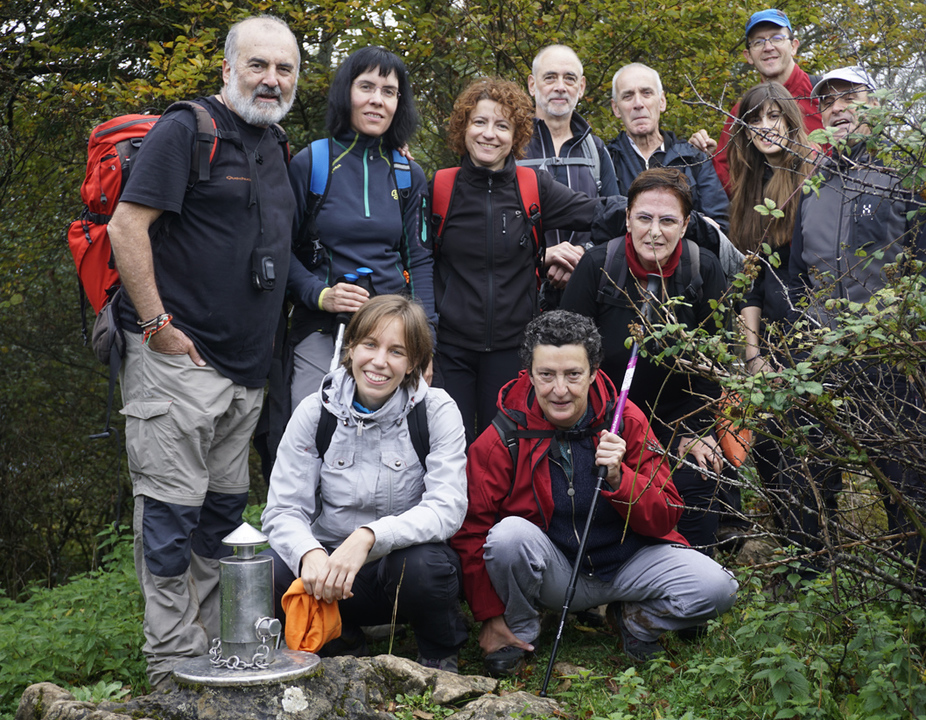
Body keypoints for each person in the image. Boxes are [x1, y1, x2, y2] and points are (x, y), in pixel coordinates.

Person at [106, 15, 300, 686]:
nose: (271, 80)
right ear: (227, 69)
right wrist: (157, 324)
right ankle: (169, 664)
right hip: (176, 363)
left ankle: (219, 652)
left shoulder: (275, 143)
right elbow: (126, 226)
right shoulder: (185, 130)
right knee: (169, 515)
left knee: (219, 516)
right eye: (258, 65)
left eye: (284, 69)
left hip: (245, 372)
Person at [450, 310, 738, 676]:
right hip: (556, 573)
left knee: (719, 587)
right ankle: (518, 630)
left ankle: (633, 619)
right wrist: (489, 615)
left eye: (573, 374)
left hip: (631, 562)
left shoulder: (626, 419)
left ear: (593, 372)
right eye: (546, 375)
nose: (560, 390)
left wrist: (621, 479)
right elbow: (471, 530)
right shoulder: (504, 434)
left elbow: (667, 511)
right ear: (529, 373)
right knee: (507, 537)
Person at [786, 66, 926, 573]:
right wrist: (800, 340)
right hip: (820, 359)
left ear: (874, 104)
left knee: (907, 483)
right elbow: (795, 276)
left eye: (849, 96)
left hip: (890, 358)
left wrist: (913, 344)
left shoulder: (910, 173)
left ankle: (925, 589)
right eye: (826, 101)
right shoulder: (813, 186)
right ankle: (810, 585)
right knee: (809, 478)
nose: (837, 107)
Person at [262, 294, 469, 671]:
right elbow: (283, 510)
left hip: (397, 572)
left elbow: (447, 508)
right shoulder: (315, 411)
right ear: (351, 348)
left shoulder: (436, 410)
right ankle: (339, 638)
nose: (379, 361)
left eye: (396, 351)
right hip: (329, 573)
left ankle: (438, 652)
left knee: (423, 565)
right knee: (271, 567)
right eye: (370, 345)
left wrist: (369, 536)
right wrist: (309, 554)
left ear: (413, 363)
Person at [432, 77, 624, 444]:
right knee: (450, 449)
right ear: (463, 127)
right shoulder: (441, 187)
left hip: (512, 349)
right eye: (479, 122)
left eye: (502, 125)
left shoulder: (532, 185)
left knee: (508, 451)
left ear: (517, 135)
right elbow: (419, 263)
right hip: (450, 351)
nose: (489, 134)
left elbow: (596, 212)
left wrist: (649, 207)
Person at [561, 168, 745, 551]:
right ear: (627, 218)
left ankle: (688, 570)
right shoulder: (597, 266)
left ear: (686, 224)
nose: (655, 232)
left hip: (677, 416)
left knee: (698, 476)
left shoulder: (703, 268)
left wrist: (698, 429)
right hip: (605, 416)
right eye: (644, 218)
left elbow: (715, 364)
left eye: (668, 221)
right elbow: (567, 354)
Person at [286, 47, 433, 412]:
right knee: (312, 419)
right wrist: (321, 295)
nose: (376, 100)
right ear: (346, 92)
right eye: (366, 86)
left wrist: (426, 341)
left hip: (392, 332)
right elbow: (278, 250)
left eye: (389, 91)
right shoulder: (312, 163)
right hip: (323, 326)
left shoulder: (407, 173)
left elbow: (419, 261)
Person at [726, 82, 817, 550]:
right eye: (754, 119)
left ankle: (814, 556)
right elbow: (750, 283)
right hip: (772, 342)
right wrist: (753, 355)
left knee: (811, 456)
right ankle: (792, 547)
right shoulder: (750, 188)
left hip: (815, 337)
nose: (765, 127)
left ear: (790, 121)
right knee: (766, 445)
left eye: (774, 116)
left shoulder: (813, 178)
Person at [520, 44, 620, 300]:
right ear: (532, 85)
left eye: (569, 78)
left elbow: (615, 221)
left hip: (586, 288)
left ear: (581, 87)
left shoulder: (596, 150)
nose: (560, 87)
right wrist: (543, 255)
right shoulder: (511, 147)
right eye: (550, 77)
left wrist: (583, 254)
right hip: (519, 292)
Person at [705, 9, 824, 196]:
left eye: (777, 38)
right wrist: (703, 156)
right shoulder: (742, 113)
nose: (768, 47)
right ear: (748, 56)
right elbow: (725, 179)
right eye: (758, 42)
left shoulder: (825, 96)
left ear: (794, 46)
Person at [606, 63, 730, 231]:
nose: (638, 103)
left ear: (662, 101)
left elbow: (721, 227)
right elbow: (604, 224)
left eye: (646, 93)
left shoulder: (693, 159)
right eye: (628, 96)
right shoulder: (607, 160)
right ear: (616, 108)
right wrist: (685, 221)